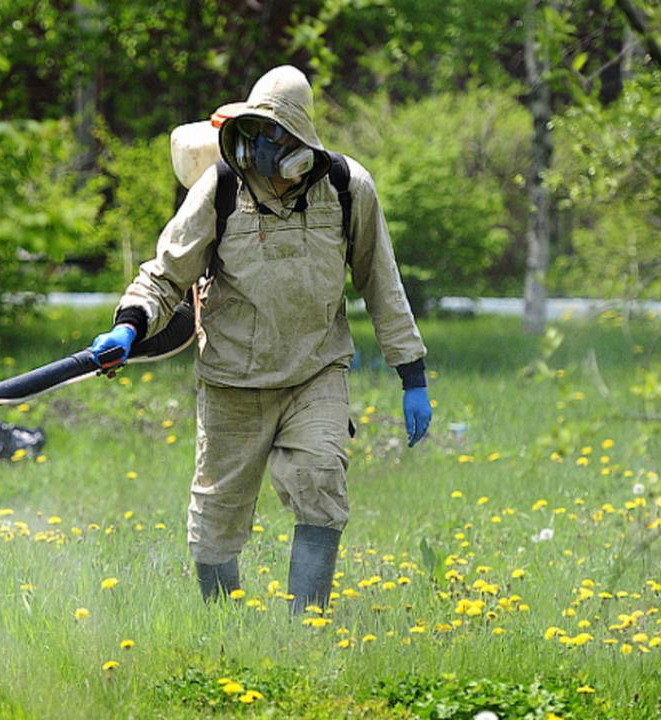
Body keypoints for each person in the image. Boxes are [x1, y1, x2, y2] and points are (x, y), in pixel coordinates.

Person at [90, 65, 431, 613]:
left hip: (316, 370)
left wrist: (410, 372)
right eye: (254, 132)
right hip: (233, 379)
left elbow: (380, 281)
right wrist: (129, 326)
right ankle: (225, 626)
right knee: (216, 520)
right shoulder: (221, 186)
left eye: (274, 134)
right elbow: (166, 272)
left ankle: (307, 624)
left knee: (320, 480)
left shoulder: (347, 187)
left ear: (299, 138)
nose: (261, 147)